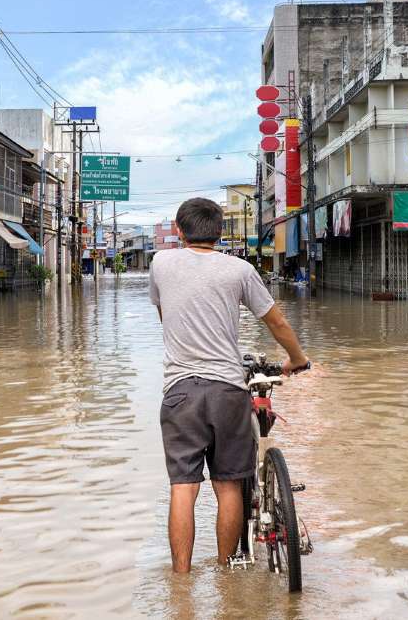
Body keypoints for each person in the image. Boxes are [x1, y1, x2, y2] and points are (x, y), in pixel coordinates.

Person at [148, 197, 310, 574]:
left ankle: (181, 583)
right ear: (220, 232)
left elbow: (163, 314)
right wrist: (297, 359)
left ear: (178, 228)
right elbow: (278, 323)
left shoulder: (160, 263)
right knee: (229, 486)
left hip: (179, 392)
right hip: (226, 389)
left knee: (183, 488)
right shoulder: (239, 269)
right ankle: (227, 572)